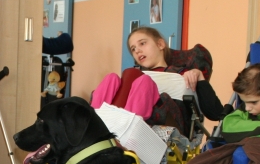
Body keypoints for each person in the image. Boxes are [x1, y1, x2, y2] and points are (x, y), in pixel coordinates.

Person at [90, 26, 222, 134]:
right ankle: (91, 123)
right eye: (133, 49)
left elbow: (215, 113)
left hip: (167, 123)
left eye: (142, 43)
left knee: (144, 81)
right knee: (111, 78)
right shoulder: (134, 77)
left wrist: (199, 76)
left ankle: (128, 128)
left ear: (160, 44)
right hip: (114, 120)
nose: (137, 50)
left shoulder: (184, 73)